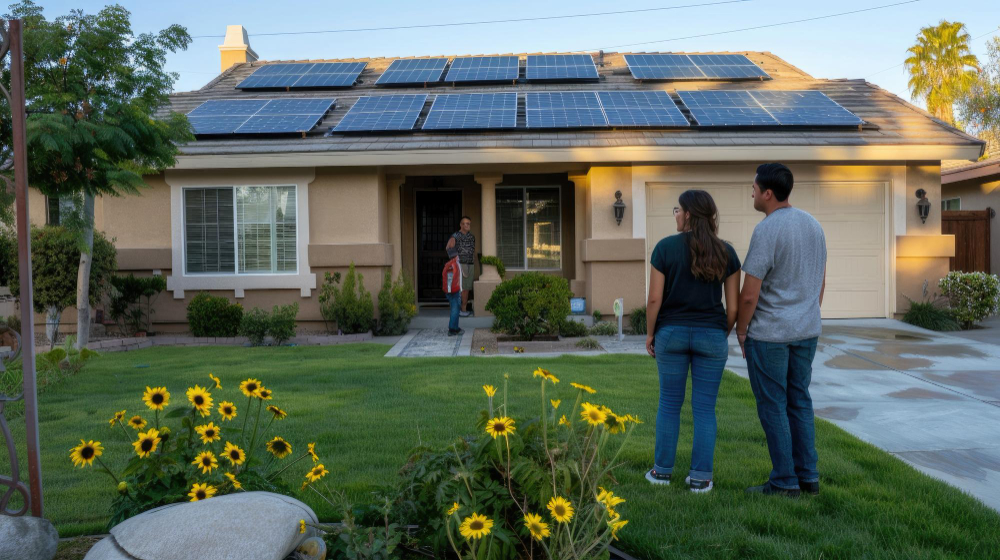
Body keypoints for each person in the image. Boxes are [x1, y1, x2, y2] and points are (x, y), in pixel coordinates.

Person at [736, 163, 827, 497]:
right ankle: (808, 478)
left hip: (770, 334)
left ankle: (785, 482)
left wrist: (742, 331)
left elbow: (749, 294)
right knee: (799, 401)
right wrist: (808, 313)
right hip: (806, 331)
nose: (752, 193)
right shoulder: (814, 225)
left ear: (768, 194)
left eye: (754, 188)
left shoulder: (767, 230)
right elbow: (820, 281)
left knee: (773, 405)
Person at [644, 190, 741, 493]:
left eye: (677, 210)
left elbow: (654, 299)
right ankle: (701, 478)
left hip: (670, 334)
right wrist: (718, 332)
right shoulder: (727, 252)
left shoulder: (665, 248)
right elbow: (734, 308)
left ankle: (661, 472)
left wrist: (650, 334)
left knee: (669, 405)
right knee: (704, 409)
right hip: (711, 334)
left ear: (688, 214)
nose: (675, 215)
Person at [445, 216, 475, 317]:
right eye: (465, 223)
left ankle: (464, 309)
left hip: (470, 264)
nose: (467, 225)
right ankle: (460, 310)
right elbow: (448, 247)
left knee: (467, 288)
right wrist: (456, 259)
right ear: (461, 225)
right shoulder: (456, 236)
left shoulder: (471, 237)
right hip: (461, 265)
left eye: (468, 223)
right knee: (461, 288)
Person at [441, 246, 464, 336]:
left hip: (456, 290)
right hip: (453, 291)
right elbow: (450, 279)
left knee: (456, 309)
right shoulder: (452, 265)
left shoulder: (456, 263)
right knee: (455, 309)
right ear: (455, 256)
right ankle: (452, 329)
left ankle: (455, 327)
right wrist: (451, 291)